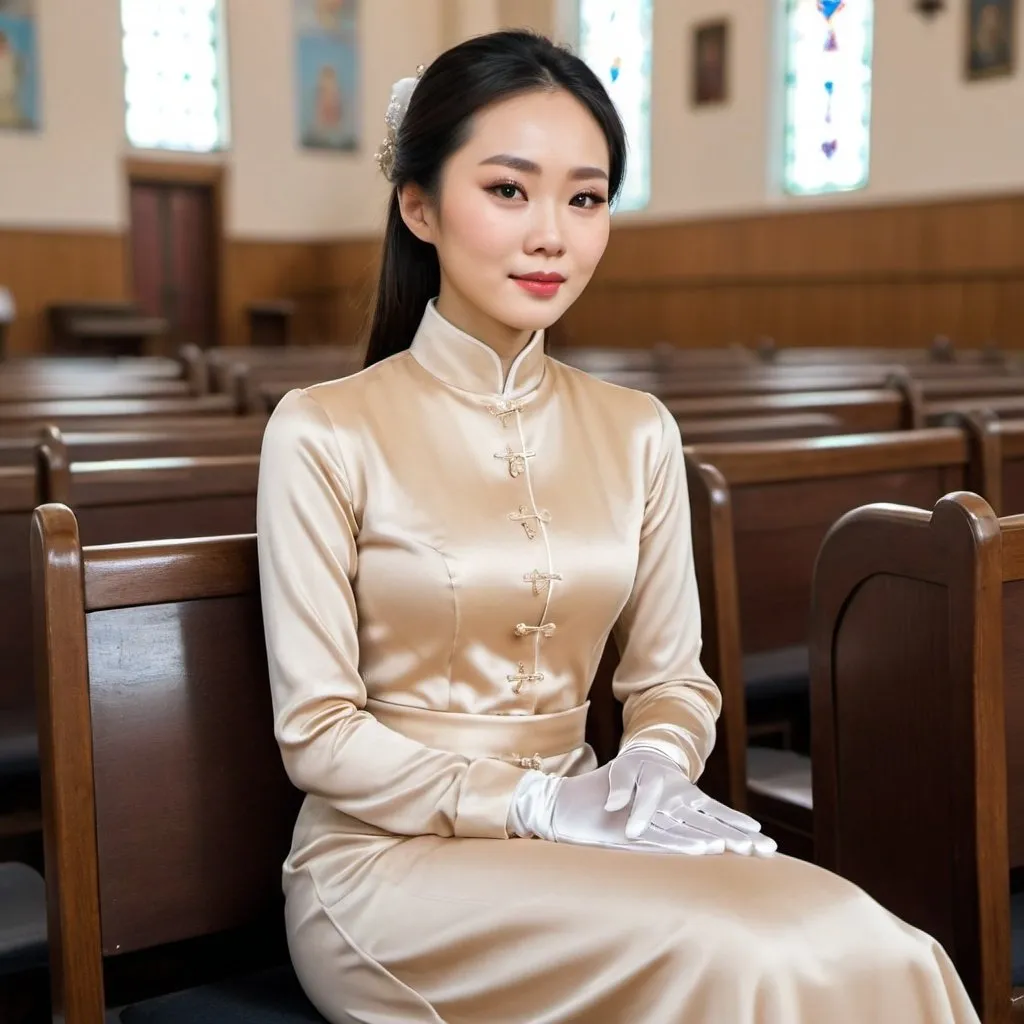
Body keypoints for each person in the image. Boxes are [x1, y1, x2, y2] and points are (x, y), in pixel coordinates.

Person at [257, 30, 981, 1024]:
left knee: (869, 940)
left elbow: (672, 681)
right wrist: (532, 803)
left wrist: (647, 764)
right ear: (417, 205)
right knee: (748, 961)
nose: (552, 233)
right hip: (387, 869)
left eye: (585, 197)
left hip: (595, 832)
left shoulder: (636, 428)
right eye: (509, 190)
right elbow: (318, 733)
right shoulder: (324, 429)